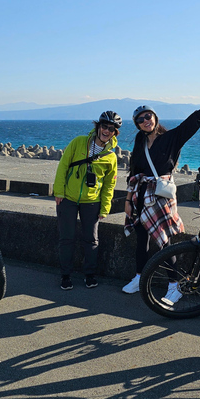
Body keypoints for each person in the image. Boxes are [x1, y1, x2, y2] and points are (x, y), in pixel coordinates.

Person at [122, 87, 200, 301]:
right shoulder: (140, 141)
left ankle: (174, 286)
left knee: (164, 242)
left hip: (161, 195)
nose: (146, 121)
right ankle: (139, 277)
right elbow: (134, 171)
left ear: (155, 117)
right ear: (137, 124)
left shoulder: (171, 138)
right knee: (141, 239)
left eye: (148, 116)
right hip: (140, 194)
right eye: (141, 119)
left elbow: (190, 124)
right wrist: (128, 199)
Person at [54, 111, 122, 290]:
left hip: (92, 201)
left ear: (115, 133)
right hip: (68, 197)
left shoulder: (111, 157)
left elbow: (109, 184)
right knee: (66, 238)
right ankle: (65, 275)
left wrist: (105, 207)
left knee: (91, 239)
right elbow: (63, 166)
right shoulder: (78, 142)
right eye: (104, 126)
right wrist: (58, 192)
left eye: (111, 129)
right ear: (98, 126)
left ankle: (89, 274)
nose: (107, 131)